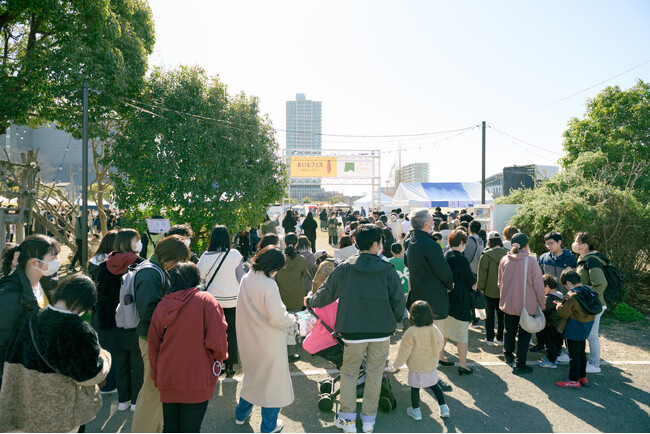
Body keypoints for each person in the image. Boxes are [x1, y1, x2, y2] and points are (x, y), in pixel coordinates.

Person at [306, 224, 405, 433]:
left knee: (349, 373)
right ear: (377, 244)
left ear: (356, 243)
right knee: (375, 374)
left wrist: (310, 301)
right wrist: (394, 322)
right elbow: (398, 301)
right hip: (381, 331)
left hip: (352, 331)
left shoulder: (344, 268)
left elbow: (326, 293)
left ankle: (348, 419)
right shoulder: (387, 269)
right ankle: (369, 420)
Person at [0, 274, 111, 432]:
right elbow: (90, 375)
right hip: (61, 412)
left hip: (28, 406)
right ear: (85, 303)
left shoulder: (30, 318)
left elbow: (12, 358)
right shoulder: (79, 330)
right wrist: (105, 357)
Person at [148, 263, 228, 432]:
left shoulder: (162, 305)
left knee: (170, 427)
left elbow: (153, 345)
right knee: (191, 428)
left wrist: (157, 375)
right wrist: (219, 360)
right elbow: (217, 340)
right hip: (196, 376)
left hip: (168, 376)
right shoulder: (206, 300)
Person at [131, 235, 191, 433]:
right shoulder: (150, 274)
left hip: (154, 338)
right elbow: (148, 312)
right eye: (180, 261)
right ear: (170, 257)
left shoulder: (154, 269)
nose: (179, 266)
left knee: (157, 393)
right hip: (151, 339)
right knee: (152, 393)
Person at [235, 247, 296, 433]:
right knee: (273, 384)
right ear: (272, 267)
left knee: (253, 377)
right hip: (269, 340)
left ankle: (241, 414)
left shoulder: (247, 277)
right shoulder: (268, 284)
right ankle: (268, 426)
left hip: (248, 338)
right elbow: (277, 317)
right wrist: (292, 319)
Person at [0, 234, 60, 388]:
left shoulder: (45, 284)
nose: (57, 262)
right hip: (17, 381)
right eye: (53, 258)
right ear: (35, 262)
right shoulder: (11, 298)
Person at [95, 229, 145, 411]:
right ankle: (135, 401)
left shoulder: (104, 265)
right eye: (136, 240)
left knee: (120, 362)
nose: (139, 243)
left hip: (110, 323)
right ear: (128, 243)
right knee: (137, 364)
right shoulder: (140, 264)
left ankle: (123, 401)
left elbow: (99, 296)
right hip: (133, 322)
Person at [197, 225, 244, 377]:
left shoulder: (204, 257)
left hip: (213, 302)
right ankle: (230, 365)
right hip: (233, 300)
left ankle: (217, 363)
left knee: (214, 333)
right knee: (231, 332)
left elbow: (201, 281)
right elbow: (241, 278)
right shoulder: (235, 254)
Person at [498, 233, 545, 374]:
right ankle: (520, 364)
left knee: (509, 330)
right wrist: (542, 304)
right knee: (524, 335)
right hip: (526, 304)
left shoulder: (504, 259)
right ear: (526, 245)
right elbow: (539, 286)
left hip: (508, 302)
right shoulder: (530, 261)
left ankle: (508, 354)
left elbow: (499, 282)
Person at [393, 301, 449, 421]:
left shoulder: (411, 332)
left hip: (416, 365)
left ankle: (416, 411)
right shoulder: (433, 328)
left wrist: (395, 366)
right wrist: (433, 353)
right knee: (435, 385)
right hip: (431, 364)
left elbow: (404, 352)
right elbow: (440, 343)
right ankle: (444, 408)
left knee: (415, 387)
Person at [555, 269, 601, 387]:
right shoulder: (590, 291)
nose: (566, 288)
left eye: (565, 285)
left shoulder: (572, 296)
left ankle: (573, 380)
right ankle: (582, 376)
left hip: (573, 328)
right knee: (581, 352)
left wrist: (559, 305)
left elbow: (563, 313)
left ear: (569, 283)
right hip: (585, 326)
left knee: (573, 355)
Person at [440, 229, 475, 375]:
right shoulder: (461, 258)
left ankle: (440, 356)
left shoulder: (445, 255)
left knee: (444, 330)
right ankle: (463, 364)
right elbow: (470, 281)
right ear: (462, 242)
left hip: (447, 298)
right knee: (462, 333)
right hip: (461, 298)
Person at [573, 232, 608, 374]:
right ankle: (592, 362)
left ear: (584, 245)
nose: (574, 244)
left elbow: (600, 284)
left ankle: (594, 364)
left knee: (592, 335)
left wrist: (588, 298)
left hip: (594, 305)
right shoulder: (583, 259)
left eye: (576, 241)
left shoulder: (592, 261)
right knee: (588, 334)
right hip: (588, 304)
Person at [477, 231, 508, 346]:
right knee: (502, 316)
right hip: (504, 291)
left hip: (488, 290)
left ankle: (489, 338)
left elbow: (482, 274)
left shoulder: (486, 255)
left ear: (489, 241)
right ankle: (500, 338)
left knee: (489, 315)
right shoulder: (508, 254)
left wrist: (481, 288)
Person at [536, 274, 564, 368]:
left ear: (547, 286)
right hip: (558, 324)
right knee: (557, 342)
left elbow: (543, 309)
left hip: (550, 324)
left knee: (550, 343)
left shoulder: (549, 298)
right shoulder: (560, 294)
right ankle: (553, 357)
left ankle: (551, 361)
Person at [388, 243, 409, 321]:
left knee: (401, 304)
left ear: (391, 251)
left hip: (398, 287)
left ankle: (404, 317)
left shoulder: (389, 261)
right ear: (402, 250)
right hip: (409, 286)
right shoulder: (407, 259)